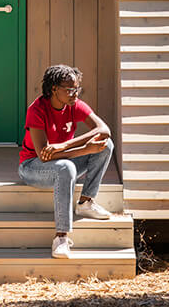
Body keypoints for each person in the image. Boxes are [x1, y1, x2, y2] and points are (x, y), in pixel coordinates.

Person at [17, 64, 115, 260]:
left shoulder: (75, 105)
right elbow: (45, 155)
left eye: (77, 88)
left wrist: (65, 145)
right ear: (54, 89)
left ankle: (86, 202)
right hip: (33, 167)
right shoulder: (36, 110)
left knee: (106, 145)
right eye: (69, 89)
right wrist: (83, 150)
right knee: (66, 167)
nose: (74, 93)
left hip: (62, 160)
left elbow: (104, 129)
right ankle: (61, 238)